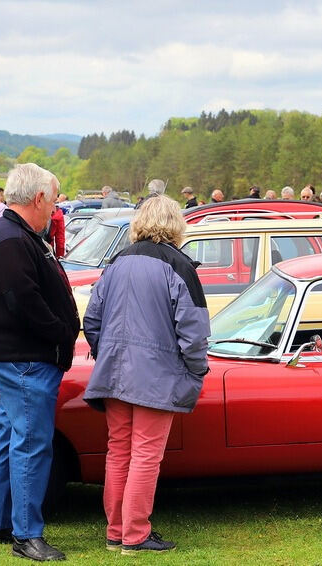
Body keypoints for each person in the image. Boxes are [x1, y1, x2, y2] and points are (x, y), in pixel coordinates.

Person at [83, 195, 210, 555]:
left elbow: (92, 320)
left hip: (115, 373)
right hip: (156, 376)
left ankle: (117, 531)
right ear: (176, 225)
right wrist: (196, 370)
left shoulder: (117, 262)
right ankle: (135, 534)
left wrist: (106, 351)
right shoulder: (179, 266)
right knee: (145, 455)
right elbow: (194, 331)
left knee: (119, 451)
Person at [0, 163, 80, 562]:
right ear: (38, 199)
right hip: (24, 359)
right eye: (53, 201)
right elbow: (25, 302)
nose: (55, 209)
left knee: (11, 437)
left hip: (19, 355)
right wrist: (60, 331)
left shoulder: (16, 235)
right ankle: (26, 535)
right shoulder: (11, 239)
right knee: (32, 444)